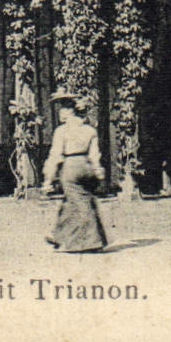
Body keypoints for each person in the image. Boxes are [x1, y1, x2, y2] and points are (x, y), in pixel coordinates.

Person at [43, 90, 107, 253]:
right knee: (75, 200)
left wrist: (48, 179)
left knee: (79, 203)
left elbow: (55, 155)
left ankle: (92, 242)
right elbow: (95, 154)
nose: (60, 113)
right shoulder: (89, 130)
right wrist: (98, 170)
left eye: (61, 110)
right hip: (86, 165)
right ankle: (58, 235)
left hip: (71, 167)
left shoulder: (62, 131)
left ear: (66, 112)